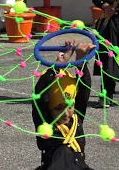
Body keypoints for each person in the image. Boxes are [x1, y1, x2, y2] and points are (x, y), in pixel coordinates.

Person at [32, 41, 94, 170]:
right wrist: (58, 65)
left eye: (69, 107)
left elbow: (84, 89)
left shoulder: (76, 119)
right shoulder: (45, 121)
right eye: (58, 108)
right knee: (63, 151)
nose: (66, 114)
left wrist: (80, 61)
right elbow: (40, 92)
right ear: (49, 107)